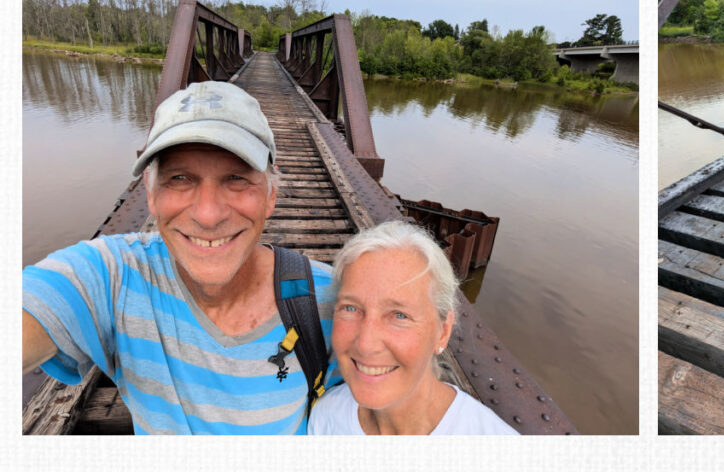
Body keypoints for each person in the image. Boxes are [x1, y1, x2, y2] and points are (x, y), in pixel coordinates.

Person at [22, 81, 339, 434]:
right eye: (179, 178)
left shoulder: (329, 300)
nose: (207, 214)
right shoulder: (115, 278)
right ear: (150, 193)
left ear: (271, 196)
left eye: (236, 178)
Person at [307, 221, 518, 435]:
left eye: (400, 315)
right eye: (350, 308)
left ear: (443, 332)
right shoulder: (325, 416)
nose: (365, 344)